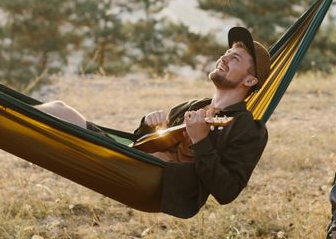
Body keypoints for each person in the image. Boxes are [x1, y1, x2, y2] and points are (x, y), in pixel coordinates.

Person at [37, 26, 271, 219]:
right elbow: (141, 142)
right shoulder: (195, 105)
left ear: (250, 80)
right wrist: (150, 125)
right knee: (59, 109)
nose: (224, 57)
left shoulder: (248, 129)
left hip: (155, 185)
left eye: (235, 58)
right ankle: (1, 115)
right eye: (227, 52)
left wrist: (201, 140)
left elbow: (227, 191)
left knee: (57, 115)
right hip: (128, 161)